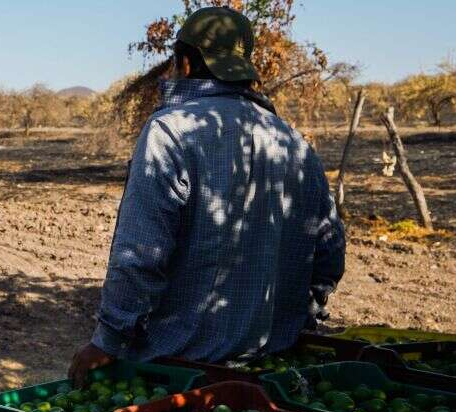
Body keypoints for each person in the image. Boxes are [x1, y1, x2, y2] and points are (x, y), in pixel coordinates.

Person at [68, 6, 345, 386]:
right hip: (274, 371)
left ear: (183, 63)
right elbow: (329, 251)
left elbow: (140, 254)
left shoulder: (170, 132)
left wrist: (108, 340)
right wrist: (299, 317)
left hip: (179, 375)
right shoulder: (293, 141)